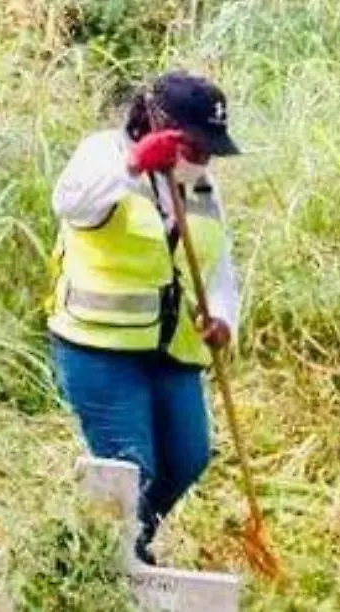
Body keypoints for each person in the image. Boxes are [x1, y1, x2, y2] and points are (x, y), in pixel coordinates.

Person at [48, 71, 244, 566]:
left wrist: (222, 318)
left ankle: (111, 546)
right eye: (194, 147)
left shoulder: (201, 188)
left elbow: (218, 267)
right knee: (130, 465)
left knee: (187, 458)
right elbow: (69, 202)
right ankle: (104, 561)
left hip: (172, 349)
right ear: (158, 125)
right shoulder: (104, 155)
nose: (202, 160)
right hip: (99, 347)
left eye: (210, 151)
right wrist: (134, 166)